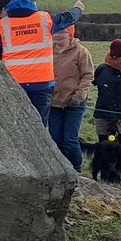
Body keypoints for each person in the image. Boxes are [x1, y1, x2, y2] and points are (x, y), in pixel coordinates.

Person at [0, 0, 85, 125]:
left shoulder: (3, 24)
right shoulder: (45, 19)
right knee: (39, 126)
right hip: (41, 83)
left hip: (14, 81)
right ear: (33, 2)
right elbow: (69, 18)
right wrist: (78, 8)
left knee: (16, 125)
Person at [48, 26, 94, 172]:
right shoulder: (47, 50)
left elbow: (88, 75)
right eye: (56, 31)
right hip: (54, 102)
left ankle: (76, 169)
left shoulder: (81, 51)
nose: (58, 35)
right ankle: (61, 169)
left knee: (70, 140)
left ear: (70, 34)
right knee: (55, 138)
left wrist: (78, 97)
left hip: (75, 103)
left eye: (63, 31)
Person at [93, 39, 121, 145]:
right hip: (107, 116)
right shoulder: (106, 72)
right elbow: (106, 96)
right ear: (116, 58)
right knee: (107, 145)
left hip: (119, 115)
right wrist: (114, 118)